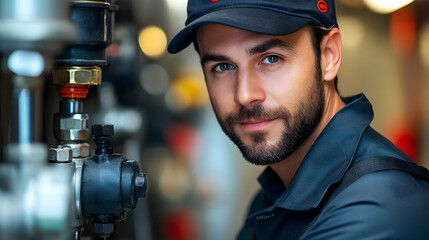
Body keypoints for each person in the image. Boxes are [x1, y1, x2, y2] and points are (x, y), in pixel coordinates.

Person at [168, 0, 429, 239]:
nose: (245, 95)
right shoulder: (275, 194)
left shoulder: (378, 207)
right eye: (222, 67)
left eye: (271, 59)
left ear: (328, 56)